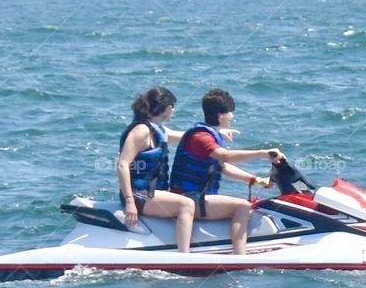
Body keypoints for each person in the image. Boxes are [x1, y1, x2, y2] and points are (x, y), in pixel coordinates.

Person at [170, 88, 285, 254]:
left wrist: (257, 180)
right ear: (220, 115)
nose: (233, 116)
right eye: (231, 112)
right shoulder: (201, 138)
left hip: (196, 197)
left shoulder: (207, 134)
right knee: (242, 207)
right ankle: (240, 257)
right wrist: (263, 153)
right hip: (189, 199)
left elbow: (222, 167)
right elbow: (225, 156)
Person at [117, 87, 197, 251]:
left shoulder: (157, 129)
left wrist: (215, 133)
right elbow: (122, 164)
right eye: (173, 109)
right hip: (139, 194)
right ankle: (185, 257)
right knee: (186, 205)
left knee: (190, 198)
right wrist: (130, 202)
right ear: (168, 108)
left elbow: (184, 136)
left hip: (150, 192)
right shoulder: (141, 131)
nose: (173, 113)